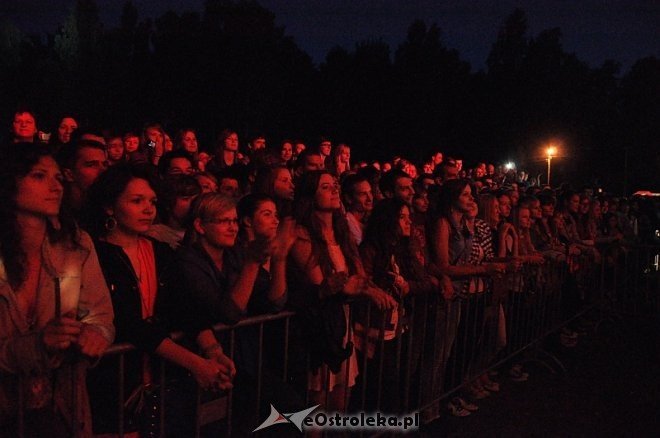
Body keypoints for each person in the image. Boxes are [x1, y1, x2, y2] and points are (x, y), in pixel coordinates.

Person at [84, 164, 234, 436]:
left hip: (162, 377)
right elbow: (128, 322)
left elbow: (185, 306)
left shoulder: (160, 251)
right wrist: (196, 363)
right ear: (109, 207)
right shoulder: (96, 254)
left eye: (152, 201)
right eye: (136, 201)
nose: (148, 209)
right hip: (116, 380)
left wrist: (213, 350)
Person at [0, 142, 114, 437]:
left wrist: (95, 333)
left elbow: (99, 312)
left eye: (58, 178)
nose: (55, 186)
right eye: (39, 176)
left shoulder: (75, 245)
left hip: (60, 407)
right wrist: (37, 345)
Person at [288, 170, 395, 413]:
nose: (334, 190)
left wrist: (366, 288)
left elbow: (358, 275)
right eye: (325, 187)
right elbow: (322, 283)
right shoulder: (302, 233)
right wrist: (362, 290)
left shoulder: (341, 231)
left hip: (341, 325)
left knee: (341, 401)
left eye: (334, 185)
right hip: (321, 327)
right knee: (319, 405)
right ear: (310, 195)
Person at [356, 198, 436, 413]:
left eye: (408, 217)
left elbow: (425, 281)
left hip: (398, 326)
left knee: (394, 382)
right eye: (402, 217)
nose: (408, 222)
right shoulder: (370, 249)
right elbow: (362, 285)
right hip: (375, 329)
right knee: (378, 387)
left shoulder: (403, 249)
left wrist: (407, 286)